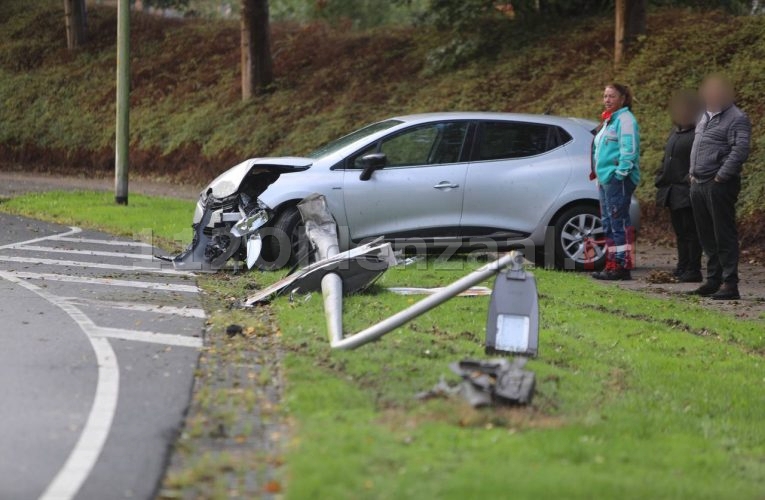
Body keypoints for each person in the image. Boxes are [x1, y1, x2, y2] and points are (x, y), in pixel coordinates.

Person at [688, 75, 751, 300]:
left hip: (719, 185)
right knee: (706, 235)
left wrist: (721, 176)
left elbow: (740, 150)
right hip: (698, 183)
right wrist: (692, 175)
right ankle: (713, 280)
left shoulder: (737, 118)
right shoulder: (704, 116)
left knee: (723, 233)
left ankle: (730, 284)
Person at [591, 83, 641, 281]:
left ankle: (622, 265)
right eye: (605, 96)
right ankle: (612, 263)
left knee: (618, 221)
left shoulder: (626, 119)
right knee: (608, 222)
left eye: (611, 96)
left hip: (616, 179)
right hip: (605, 179)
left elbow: (629, 149)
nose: (607, 100)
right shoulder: (610, 120)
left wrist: (620, 173)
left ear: (622, 98)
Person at [655, 90, 703, 283]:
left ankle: (693, 268)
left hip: (687, 190)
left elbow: (698, 161)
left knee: (691, 231)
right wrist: (660, 176)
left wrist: (687, 179)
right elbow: (665, 158)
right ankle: (682, 265)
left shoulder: (697, 133)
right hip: (671, 190)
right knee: (681, 232)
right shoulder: (675, 132)